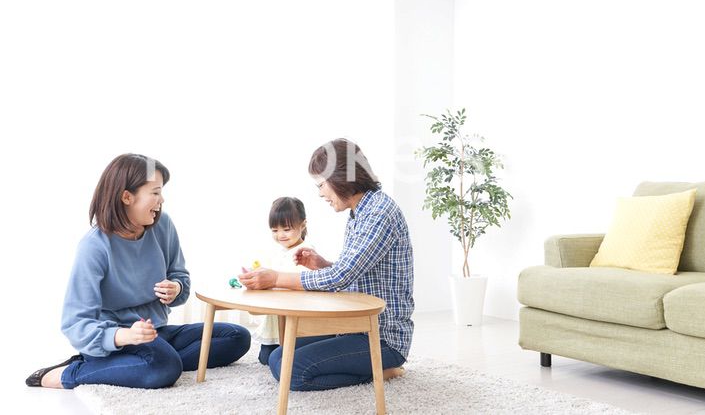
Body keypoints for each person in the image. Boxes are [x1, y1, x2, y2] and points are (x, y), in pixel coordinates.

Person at [26, 153, 251, 389]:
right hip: (116, 339)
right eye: (155, 192)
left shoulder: (163, 226)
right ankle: (72, 373)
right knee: (164, 368)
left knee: (236, 337)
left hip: (155, 332)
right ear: (126, 197)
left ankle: (138, 363)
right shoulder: (94, 247)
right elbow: (76, 323)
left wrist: (176, 288)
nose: (161, 199)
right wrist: (123, 336)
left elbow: (180, 277)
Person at [238, 138, 414, 391]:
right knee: (282, 353)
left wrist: (276, 278)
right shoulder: (359, 212)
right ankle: (373, 368)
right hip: (353, 328)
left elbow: (341, 277)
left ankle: (383, 369)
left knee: (290, 371)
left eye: (321, 185)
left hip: (383, 338)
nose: (321, 194)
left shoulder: (378, 212)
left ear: (341, 178)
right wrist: (322, 264)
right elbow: (353, 272)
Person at [253, 196, 311, 365]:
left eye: (286, 229)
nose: (280, 235)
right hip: (276, 316)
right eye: (274, 230)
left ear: (303, 225)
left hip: (294, 320)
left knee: (271, 359)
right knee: (264, 358)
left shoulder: (306, 253)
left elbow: (301, 284)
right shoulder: (279, 252)